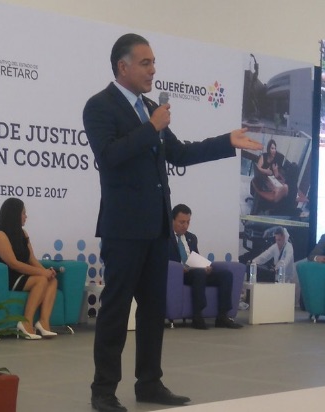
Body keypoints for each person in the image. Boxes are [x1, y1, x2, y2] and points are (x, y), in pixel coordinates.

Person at [83, 33, 262, 412]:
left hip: (157, 228)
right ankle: (103, 391)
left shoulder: (150, 108)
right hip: (123, 229)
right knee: (116, 311)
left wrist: (226, 141)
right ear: (123, 66)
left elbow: (179, 153)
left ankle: (149, 383)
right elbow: (109, 155)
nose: (153, 70)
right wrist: (151, 127)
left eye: (153, 62)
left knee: (152, 310)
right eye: (145, 63)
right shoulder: (100, 106)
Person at [0, 197, 58, 340]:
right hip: (9, 276)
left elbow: (31, 259)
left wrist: (47, 272)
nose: (26, 216)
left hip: (23, 274)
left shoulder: (23, 233)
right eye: (23, 213)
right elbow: (14, 264)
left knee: (52, 280)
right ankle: (26, 322)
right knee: (41, 280)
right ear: (14, 214)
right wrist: (42, 273)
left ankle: (44, 322)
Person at [169, 204, 243, 330]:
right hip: (178, 275)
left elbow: (195, 257)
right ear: (172, 220)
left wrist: (205, 265)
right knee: (199, 273)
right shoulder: (165, 238)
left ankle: (222, 317)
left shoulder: (191, 238)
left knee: (225, 275)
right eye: (182, 222)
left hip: (195, 272)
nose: (185, 226)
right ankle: (197, 316)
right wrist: (180, 268)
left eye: (188, 222)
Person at [253, 139, 288, 203]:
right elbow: (258, 167)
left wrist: (275, 170)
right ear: (268, 149)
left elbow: (276, 176)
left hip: (270, 180)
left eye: (275, 148)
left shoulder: (277, 159)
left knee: (275, 191)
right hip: (261, 179)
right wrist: (265, 171)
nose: (274, 150)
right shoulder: (264, 156)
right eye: (272, 148)